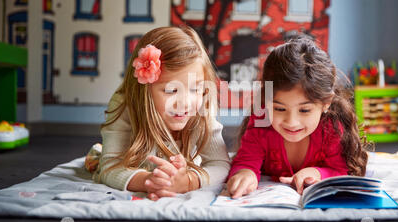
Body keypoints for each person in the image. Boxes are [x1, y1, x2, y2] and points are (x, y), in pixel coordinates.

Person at [90, 26, 230, 201]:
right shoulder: (125, 104)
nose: (185, 102)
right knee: (98, 160)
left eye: (195, 89)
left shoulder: (201, 108)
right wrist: (147, 180)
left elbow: (221, 164)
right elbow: (110, 166)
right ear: (145, 89)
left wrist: (189, 181)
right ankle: (96, 153)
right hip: (136, 162)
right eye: (171, 90)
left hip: (181, 171)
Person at [226, 34, 369, 198]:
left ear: (326, 103)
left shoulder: (332, 128)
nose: (291, 122)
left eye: (304, 110)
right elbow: (246, 161)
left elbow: (340, 169)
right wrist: (246, 173)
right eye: (279, 109)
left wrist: (317, 173)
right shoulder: (261, 121)